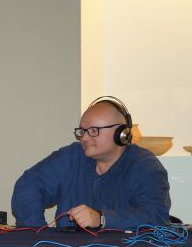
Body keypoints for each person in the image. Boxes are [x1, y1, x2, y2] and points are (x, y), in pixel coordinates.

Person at [11, 96, 171, 230]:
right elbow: (28, 186)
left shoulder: (146, 167)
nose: (84, 138)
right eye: (82, 131)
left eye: (94, 131)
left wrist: (102, 219)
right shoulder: (71, 156)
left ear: (121, 134)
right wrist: (35, 236)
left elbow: (154, 215)